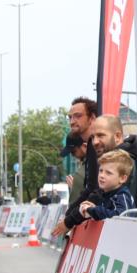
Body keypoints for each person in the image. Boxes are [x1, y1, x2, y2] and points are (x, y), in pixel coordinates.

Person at [51, 97, 99, 238]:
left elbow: (94, 192)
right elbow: (89, 191)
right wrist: (68, 218)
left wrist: (69, 220)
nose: (72, 121)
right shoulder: (91, 145)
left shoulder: (96, 146)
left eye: (78, 116)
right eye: (70, 117)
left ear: (92, 118)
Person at [78, 149, 135, 222]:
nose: (102, 175)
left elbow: (122, 218)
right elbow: (107, 213)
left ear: (122, 178)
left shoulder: (122, 195)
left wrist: (94, 210)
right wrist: (93, 209)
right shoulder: (105, 194)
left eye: (108, 173)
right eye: (101, 170)